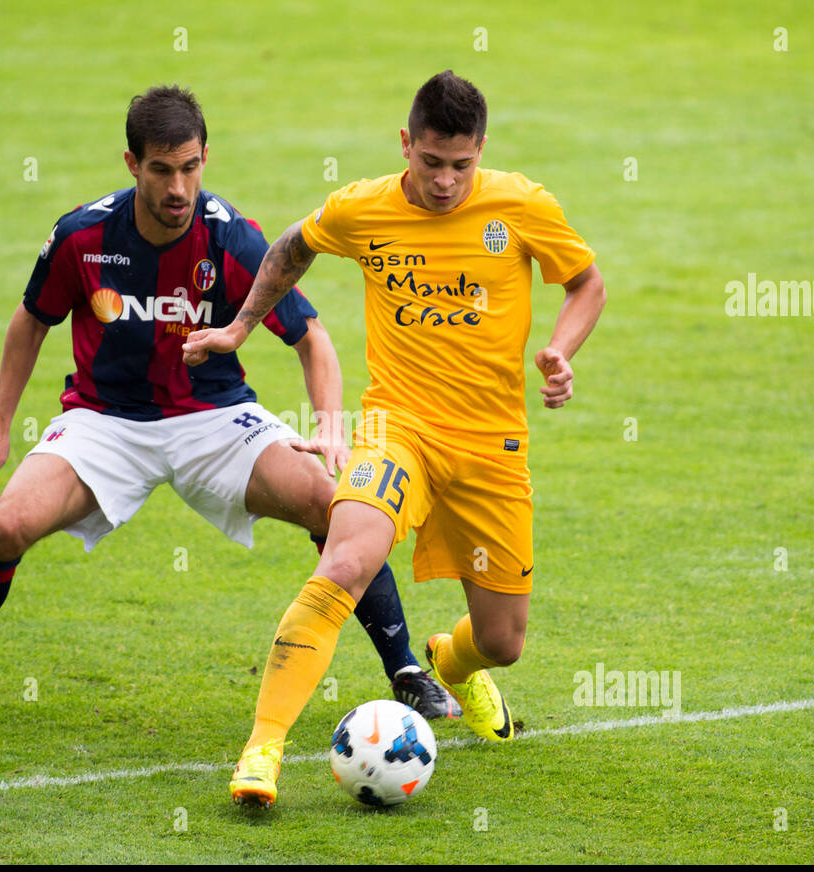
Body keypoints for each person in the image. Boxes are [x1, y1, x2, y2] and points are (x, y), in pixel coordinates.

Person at [0, 85, 456, 726]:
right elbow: (30, 321)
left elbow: (313, 338)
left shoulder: (231, 238)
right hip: (104, 421)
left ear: (205, 157)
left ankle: (405, 670)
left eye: (190, 167)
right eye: (162, 170)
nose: (179, 188)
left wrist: (328, 427)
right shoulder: (84, 235)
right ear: (132, 164)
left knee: (331, 503)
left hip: (214, 418)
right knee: (4, 528)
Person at [184, 70, 607, 807]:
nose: (445, 181)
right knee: (345, 558)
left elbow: (586, 283)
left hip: (491, 443)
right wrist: (241, 326)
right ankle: (264, 748)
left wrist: (563, 349)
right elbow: (293, 244)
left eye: (462, 165)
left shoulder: (522, 205)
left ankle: (451, 661)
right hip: (395, 427)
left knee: (503, 640)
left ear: (481, 152)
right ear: (406, 144)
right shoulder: (364, 208)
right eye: (431, 162)